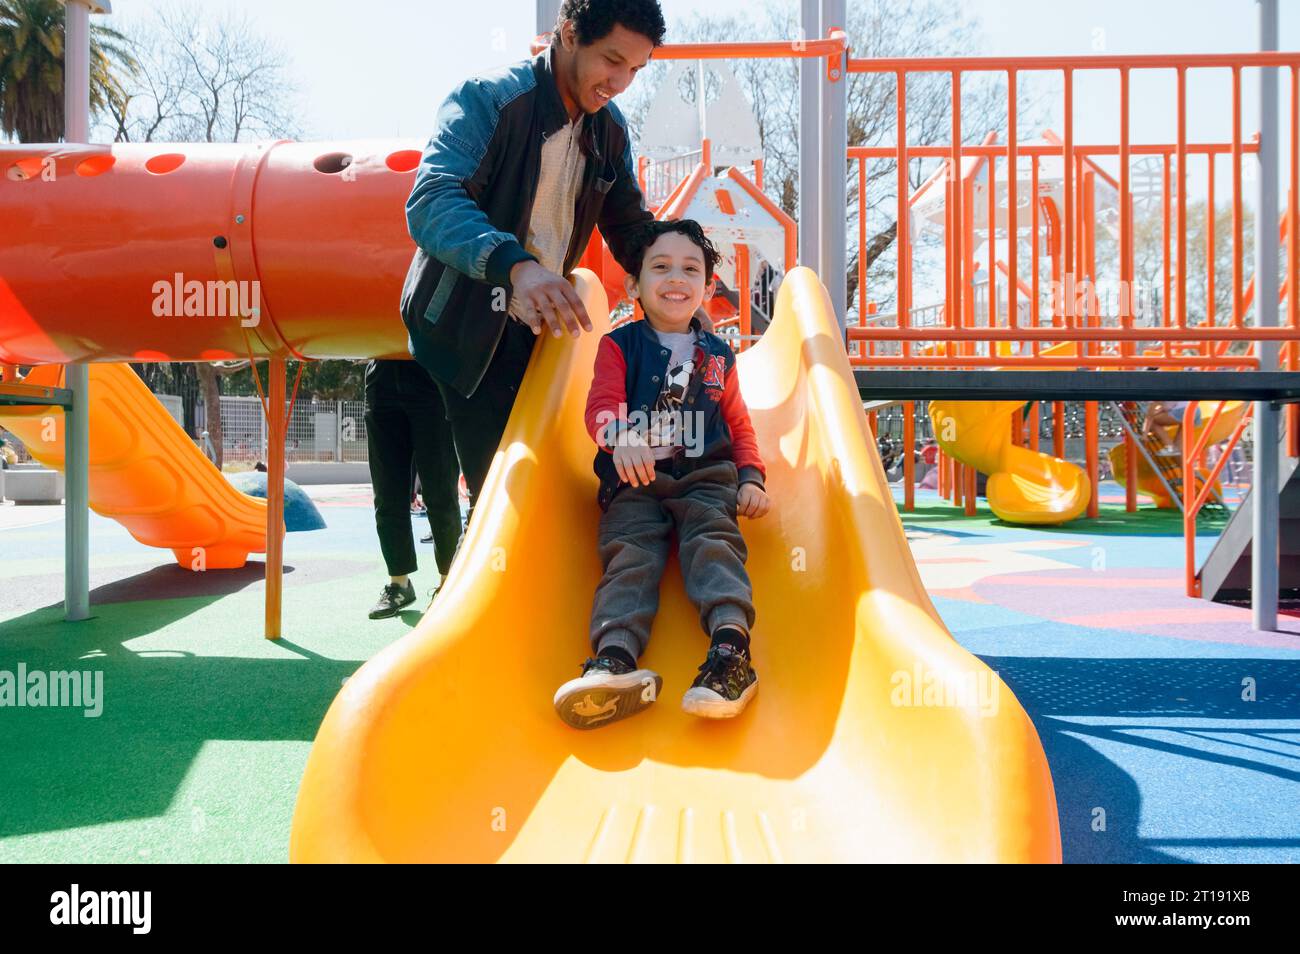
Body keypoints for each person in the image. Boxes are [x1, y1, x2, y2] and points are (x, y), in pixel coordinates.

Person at [399, 0, 665, 528]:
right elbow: (431, 199)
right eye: (612, 60)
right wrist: (517, 267)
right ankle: (469, 594)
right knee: (498, 485)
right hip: (466, 324)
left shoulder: (606, 130)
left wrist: (680, 279)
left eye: (635, 69)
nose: (621, 81)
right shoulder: (491, 100)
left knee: (542, 481)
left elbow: (632, 225)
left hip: (539, 324)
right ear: (568, 34)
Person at [553, 220, 771, 730]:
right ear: (634, 285)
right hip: (636, 480)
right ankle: (614, 660)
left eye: (690, 269)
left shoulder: (719, 357)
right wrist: (621, 436)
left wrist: (752, 476)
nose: (676, 278)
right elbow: (601, 406)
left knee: (713, 542)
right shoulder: (619, 346)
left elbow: (738, 422)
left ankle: (731, 655)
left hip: (705, 476)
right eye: (661, 267)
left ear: (708, 288)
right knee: (630, 553)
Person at [364, 359, 463, 619]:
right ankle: (400, 583)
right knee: (387, 493)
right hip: (382, 377)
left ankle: (448, 583)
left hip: (431, 376)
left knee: (440, 491)